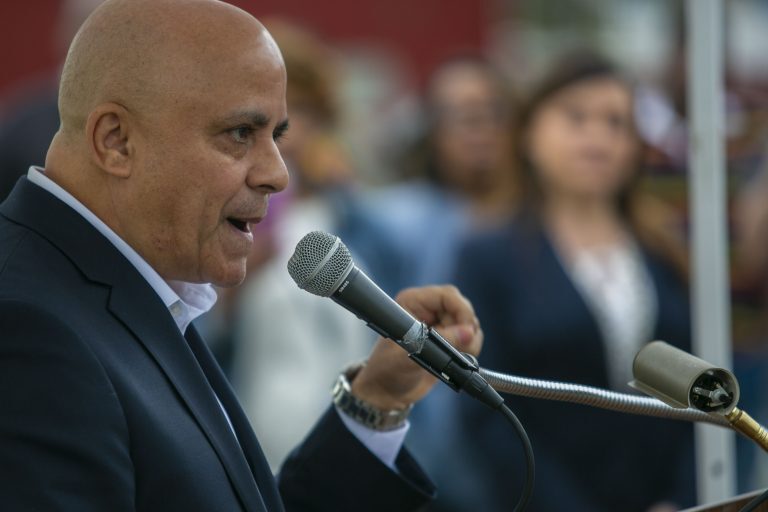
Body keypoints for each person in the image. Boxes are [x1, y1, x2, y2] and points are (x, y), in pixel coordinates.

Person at [0, 1, 484, 511]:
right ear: (116, 141)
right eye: (239, 134)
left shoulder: (131, 285)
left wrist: (376, 402)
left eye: (277, 136)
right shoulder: (26, 326)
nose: (278, 175)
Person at [454, 53, 695, 511]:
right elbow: (485, 412)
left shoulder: (664, 249)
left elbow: (701, 388)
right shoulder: (490, 255)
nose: (598, 137)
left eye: (616, 122)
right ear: (529, 132)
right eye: (576, 117)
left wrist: (684, 498)